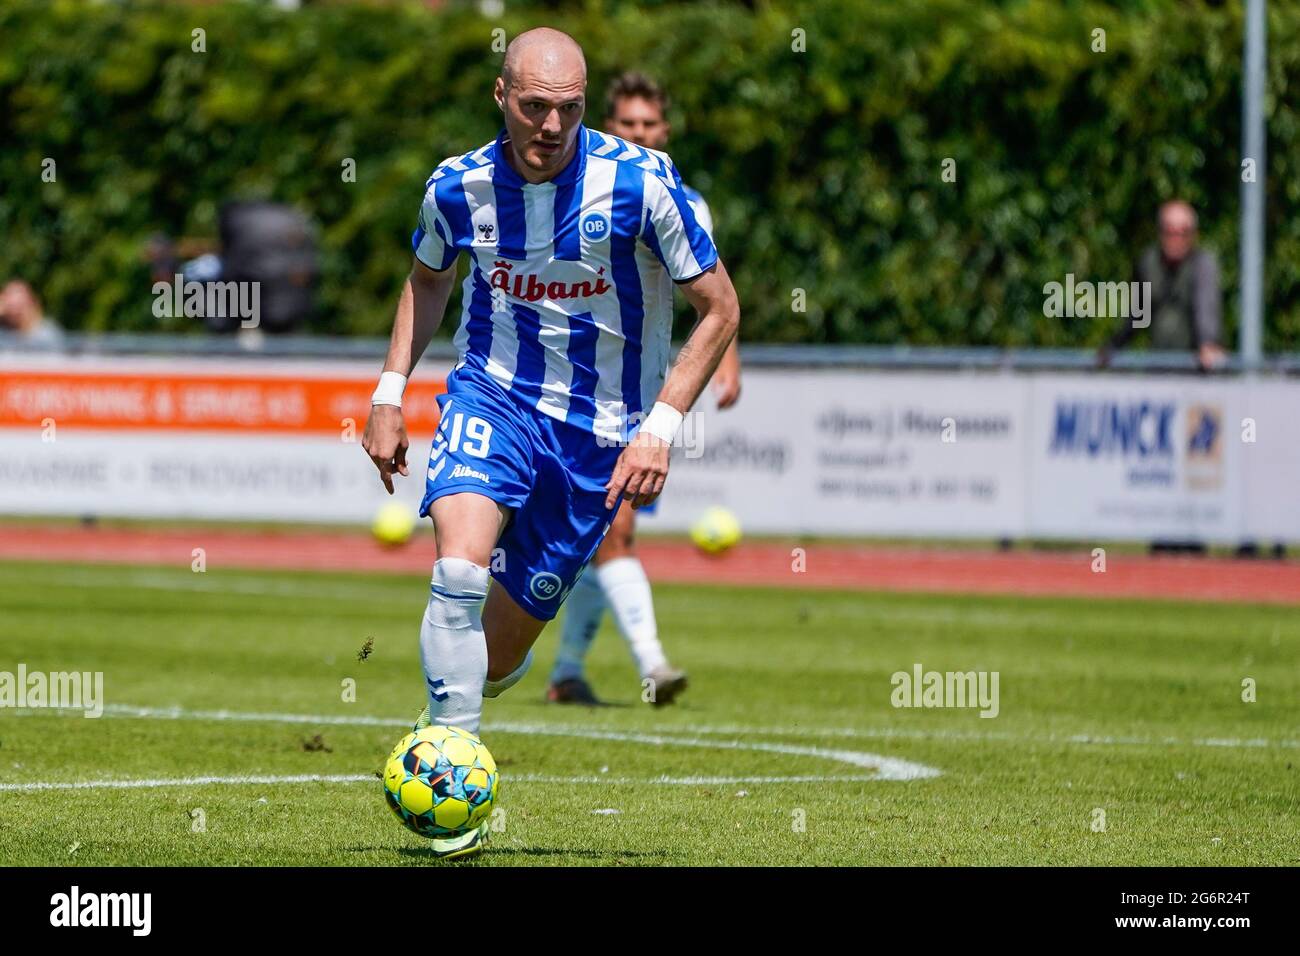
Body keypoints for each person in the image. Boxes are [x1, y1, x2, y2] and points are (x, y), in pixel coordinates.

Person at [361, 28, 740, 858]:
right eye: (534, 106)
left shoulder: (642, 185)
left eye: (567, 109)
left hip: (599, 443)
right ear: (502, 96)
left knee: (494, 661)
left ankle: (462, 702)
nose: (551, 125)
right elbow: (429, 280)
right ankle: (454, 784)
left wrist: (662, 427)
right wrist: (389, 391)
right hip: (492, 396)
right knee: (456, 571)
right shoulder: (457, 189)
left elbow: (721, 309)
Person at [545, 71, 741, 707]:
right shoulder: (575, 191)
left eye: (649, 125)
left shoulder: (685, 201)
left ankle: (566, 673)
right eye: (626, 125)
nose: (639, 135)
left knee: (606, 536)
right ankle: (652, 665)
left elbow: (714, 296)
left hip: (647, 400)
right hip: (573, 394)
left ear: (666, 130)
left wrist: (727, 361)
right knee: (611, 533)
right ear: (608, 127)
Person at [1098, 200, 1225, 372]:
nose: (1176, 238)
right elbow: (1137, 317)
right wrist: (1113, 347)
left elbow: (1205, 309)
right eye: (1169, 231)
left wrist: (1208, 343)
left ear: (1193, 235)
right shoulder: (1148, 263)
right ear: (1160, 232)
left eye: (1183, 232)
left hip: (1197, 370)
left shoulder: (1202, 265)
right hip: (1158, 369)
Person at [0, 280, 65, 348]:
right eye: (10, 306)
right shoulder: (2, 333)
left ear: (31, 304)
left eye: (20, 306)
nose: (14, 312)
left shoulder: (47, 333)